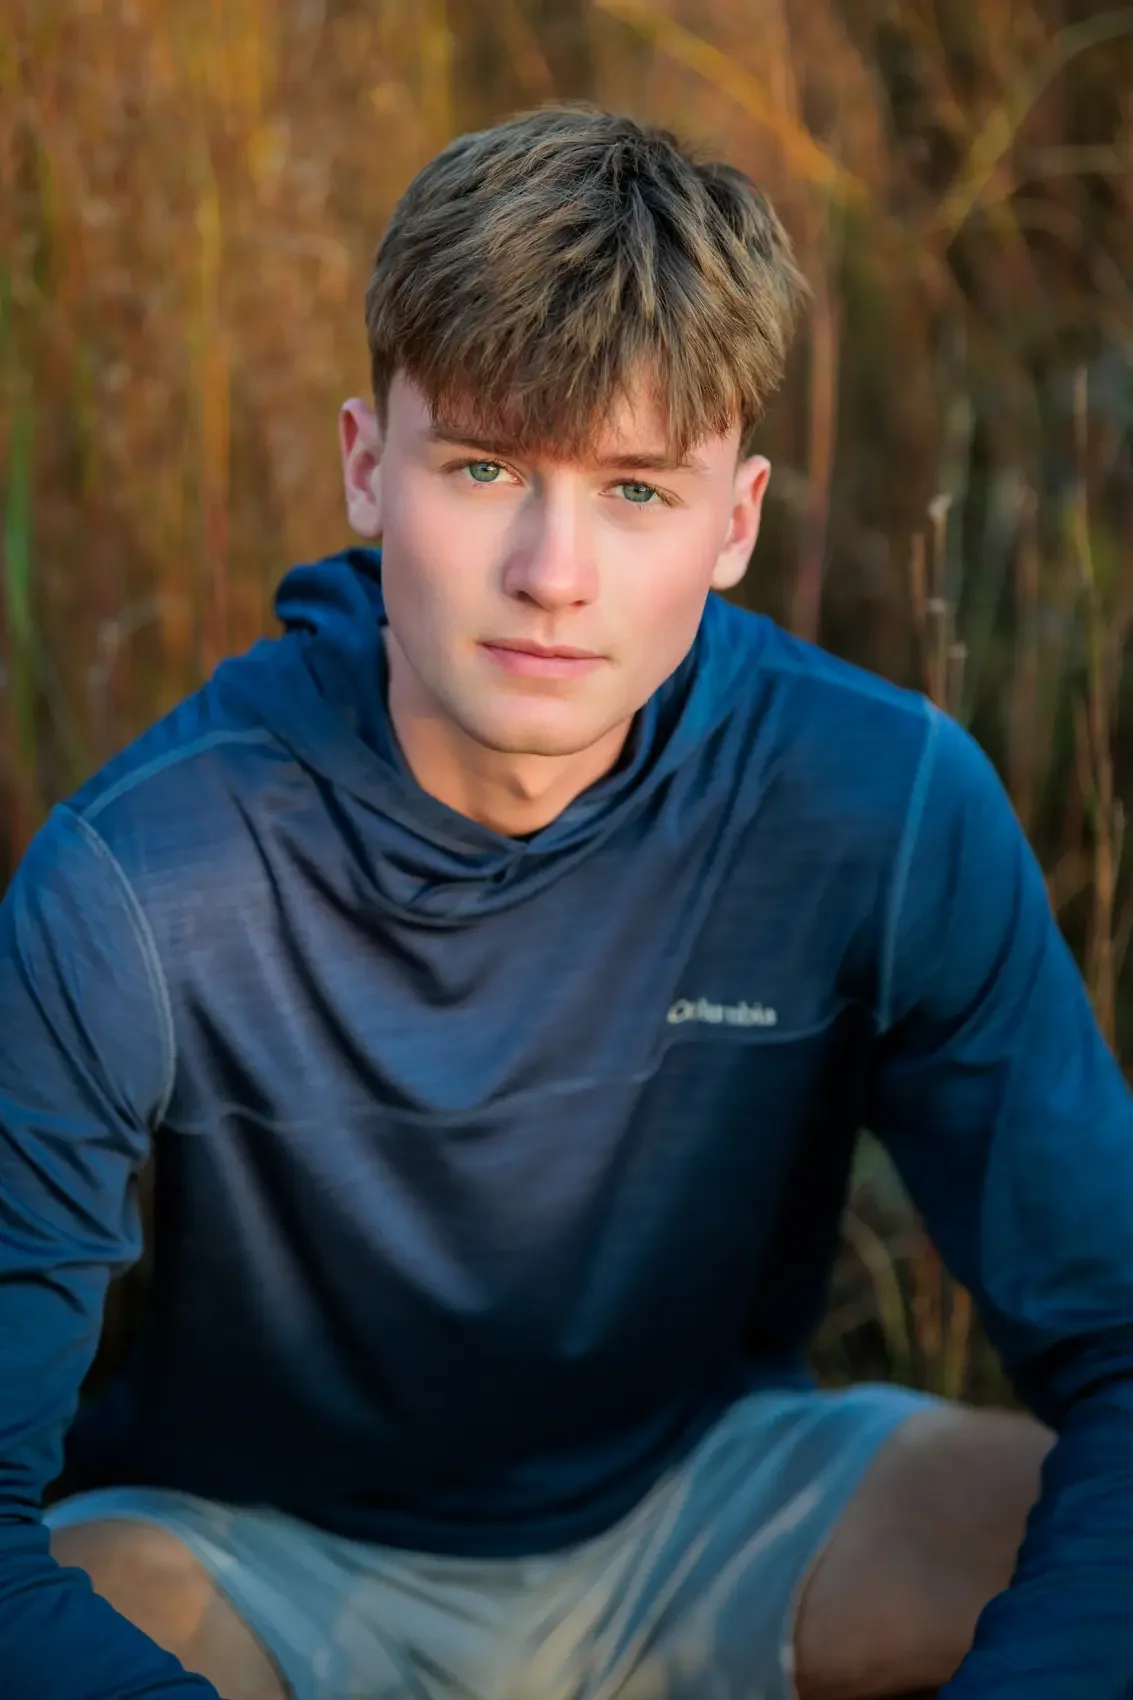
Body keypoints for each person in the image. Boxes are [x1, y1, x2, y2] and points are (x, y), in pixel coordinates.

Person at [1, 102, 1130, 1700]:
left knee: (1057, 1523)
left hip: (709, 1512)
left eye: (635, 492)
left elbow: (1120, 1337)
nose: (553, 570)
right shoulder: (142, 876)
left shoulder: (875, 805)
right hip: (261, 1564)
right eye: (484, 466)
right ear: (365, 468)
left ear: (734, 521)